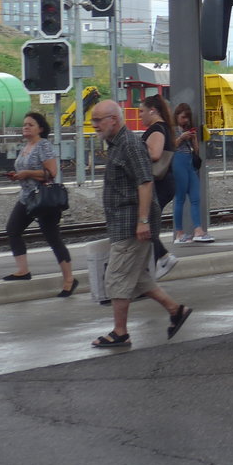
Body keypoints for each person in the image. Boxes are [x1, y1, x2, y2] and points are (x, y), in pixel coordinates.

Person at [89, 99, 192, 348]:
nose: (94, 126)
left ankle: (120, 332)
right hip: (123, 222)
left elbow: (145, 182)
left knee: (116, 277)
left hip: (131, 222)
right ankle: (175, 310)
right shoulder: (116, 143)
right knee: (135, 278)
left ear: (113, 119)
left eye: (98, 120)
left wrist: (143, 221)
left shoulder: (129, 144)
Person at [4, 111, 77, 296]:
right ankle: (23, 271)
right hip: (27, 197)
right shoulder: (26, 146)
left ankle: (69, 279)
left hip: (43, 198)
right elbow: (25, 171)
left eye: (30, 124)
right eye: (24, 124)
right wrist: (18, 176)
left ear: (40, 129)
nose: (25, 127)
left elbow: (51, 172)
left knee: (53, 238)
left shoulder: (43, 145)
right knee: (13, 229)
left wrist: (27, 173)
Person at [140, 94, 178, 277]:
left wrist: (137, 148)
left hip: (159, 183)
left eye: (142, 111)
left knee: (145, 224)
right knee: (147, 224)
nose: (139, 115)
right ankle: (157, 260)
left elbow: (155, 154)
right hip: (165, 182)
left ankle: (162, 257)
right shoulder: (164, 128)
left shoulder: (157, 129)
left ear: (152, 110)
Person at [172, 102, 213, 243]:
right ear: (177, 116)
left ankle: (198, 230)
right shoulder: (172, 130)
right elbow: (171, 147)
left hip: (189, 164)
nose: (186, 121)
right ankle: (179, 233)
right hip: (178, 163)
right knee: (180, 198)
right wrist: (181, 137)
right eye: (183, 117)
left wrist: (194, 139)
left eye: (187, 118)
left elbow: (196, 151)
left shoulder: (187, 130)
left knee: (196, 198)